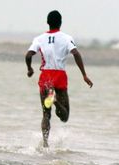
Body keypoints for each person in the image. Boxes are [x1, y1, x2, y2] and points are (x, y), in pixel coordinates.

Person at [25, 10, 93, 147]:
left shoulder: (39, 39)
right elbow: (76, 54)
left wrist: (30, 69)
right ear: (60, 22)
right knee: (64, 116)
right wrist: (84, 75)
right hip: (60, 76)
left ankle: (45, 143)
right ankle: (55, 101)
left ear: (47, 23)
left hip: (45, 77)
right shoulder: (67, 38)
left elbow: (28, 55)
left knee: (46, 114)